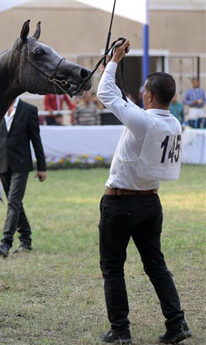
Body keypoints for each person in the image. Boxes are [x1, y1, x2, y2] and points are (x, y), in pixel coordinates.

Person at [96, 39, 191, 345]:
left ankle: (121, 330)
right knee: (156, 266)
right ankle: (177, 323)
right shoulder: (174, 123)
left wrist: (113, 61)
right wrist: (116, 67)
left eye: (143, 93)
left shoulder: (143, 122)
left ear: (149, 95)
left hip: (120, 202)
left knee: (112, 267)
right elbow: (130, 109)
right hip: (151, 202)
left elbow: (105, 94)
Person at [0, 97, 47, 257]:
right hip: (2, 164)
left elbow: (36, 139)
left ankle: (5, 242)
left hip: (21, 164)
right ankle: (26, 238)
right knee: (14, 203)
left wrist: (42, 167)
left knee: (14, 202)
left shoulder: (29, 110)